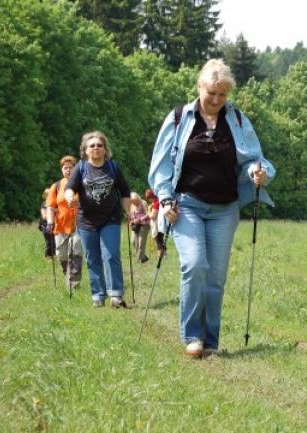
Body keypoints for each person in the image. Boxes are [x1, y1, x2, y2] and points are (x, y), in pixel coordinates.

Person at [148, 59, 276, 357]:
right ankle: (192, 336)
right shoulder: (179, 118)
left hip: (225, 208)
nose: (216, 100)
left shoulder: (239, 120)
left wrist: (259, 172)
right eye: (211, 93)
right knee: (194, 265)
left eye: (223, 95)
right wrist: (166, 199)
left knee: (216, 276)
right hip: (187, 205)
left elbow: (254, 159)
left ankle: (211, 341)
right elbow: (160, 165)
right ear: (199, 87)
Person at [65, 131, 132, 308]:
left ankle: (116, 295)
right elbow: (69, 188)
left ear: (105, 149)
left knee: (111, 255)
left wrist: (128, 210)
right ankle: (98, 295)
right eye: (92, 146)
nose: (96, 148)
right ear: (85, 150)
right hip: (86, 221)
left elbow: (125, 191)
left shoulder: (113, 167)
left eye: (99, 145)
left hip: (110, 218)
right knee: (92, 258)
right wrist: (70, 197)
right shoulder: (81, 168)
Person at [46, 155, 83, 290]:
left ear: (75, 169)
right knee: (62, 255)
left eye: (71, 167)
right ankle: (67, 274)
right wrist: (50, 223)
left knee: (76, 254)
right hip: (60, 227)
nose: (68, 170)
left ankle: (74, 285)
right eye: (65, 168)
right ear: (62, 170)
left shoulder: (82, 185)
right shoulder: (56, 187)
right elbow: (50, 207)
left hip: (79, 226)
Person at [129, 192, 151, 263]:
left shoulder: (143, 202)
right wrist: (132, 221)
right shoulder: (131, 205)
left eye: (136, 201)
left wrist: (140, 219)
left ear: (138, 198)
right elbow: (131, 215)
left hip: (144, 225)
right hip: (135, 226)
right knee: (133, 241)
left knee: (141, 242)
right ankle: (143, 257)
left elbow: (148, 214)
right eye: (133, 202)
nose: (135, 203)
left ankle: (139, 260)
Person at [145, 188, 162, 256]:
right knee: (160, 240)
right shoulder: (157, 201)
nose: (149, 200)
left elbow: (152, 216)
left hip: (157, 224)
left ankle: (161, 256)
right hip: (159, 224)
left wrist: (148, 210)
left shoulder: (156, 203)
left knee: (158, 240)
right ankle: (163, 255)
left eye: (149, 198)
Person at [39, 188, 55, 258]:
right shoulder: (44, 204)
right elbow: (44, 216)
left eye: (51, 194)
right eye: (47, 194)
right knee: (49, 241)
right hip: (45, 225)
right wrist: (51, 214)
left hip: (54, 225)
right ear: (45, 196)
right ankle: (47, 257)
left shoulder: (54, 204)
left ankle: (53, 256)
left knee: (55, 242)